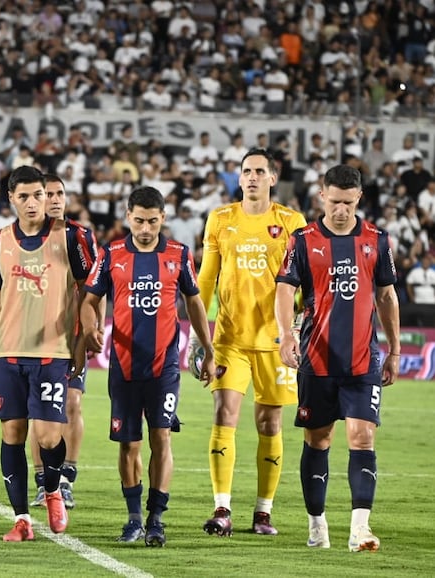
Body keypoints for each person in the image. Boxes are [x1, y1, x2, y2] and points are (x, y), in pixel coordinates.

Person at [78, 185, 215, 547]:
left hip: (164, 365)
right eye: (138, 220)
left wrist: (207, 346)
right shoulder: (111, 255)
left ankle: (156, 518)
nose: (145, 228)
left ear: (163, 219)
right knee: (129, 446)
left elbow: (194, 302)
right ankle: (134, 517)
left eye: (152, 221)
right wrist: (91, 327)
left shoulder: (179, 254)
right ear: (127, 216)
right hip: (123, 366)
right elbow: (89, 300)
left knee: (161, 436)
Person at [275, 164, 401, 552]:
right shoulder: (302, 240)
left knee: (362, 437)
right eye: (334, 202)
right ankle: (317, 525)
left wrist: (395, 349)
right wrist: (284, 335)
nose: (341, 210)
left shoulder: (377, 240)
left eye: (348, 203)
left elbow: (386, 296)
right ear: (322, 196)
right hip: (317, 359)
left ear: (358, 198)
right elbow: (283, 290)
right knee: (319, 439)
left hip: (363, 360)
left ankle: (360, 529)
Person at [191, 147, 307, 537]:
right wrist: (198, 335)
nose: (253, 177)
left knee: (269, 422)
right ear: (238, 178)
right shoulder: (220, 219)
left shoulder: (292, 221)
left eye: (260, 171)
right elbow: (205, 279)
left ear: (273, 178)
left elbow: (304, 282)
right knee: (225, 414)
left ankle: (263, 512)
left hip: (275, 340)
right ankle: (222, 508)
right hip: (229, 337)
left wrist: (300, 324)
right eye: (246, 171)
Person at [0, 166, 96, 542]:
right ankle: (22, 519)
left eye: (38, 195)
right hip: (8, 351)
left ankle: (54, 487)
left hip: (53, 353)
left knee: (46, 437)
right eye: (24, 196)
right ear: (11, 198)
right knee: (12, 433)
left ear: (48, 196)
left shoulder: (73, 236)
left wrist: (83, 340)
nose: (33, 203)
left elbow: (89, 291)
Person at [29, 174, 98, 510]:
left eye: (60, 194)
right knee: (37, 414)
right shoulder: (21, 236)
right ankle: (43, 481)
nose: (55, 200)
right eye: (49, 194)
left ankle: (67, 478)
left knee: (72, 403)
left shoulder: (80, 237)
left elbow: (94, 290)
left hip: (69, 337)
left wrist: (87, 331)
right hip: (31, 339)